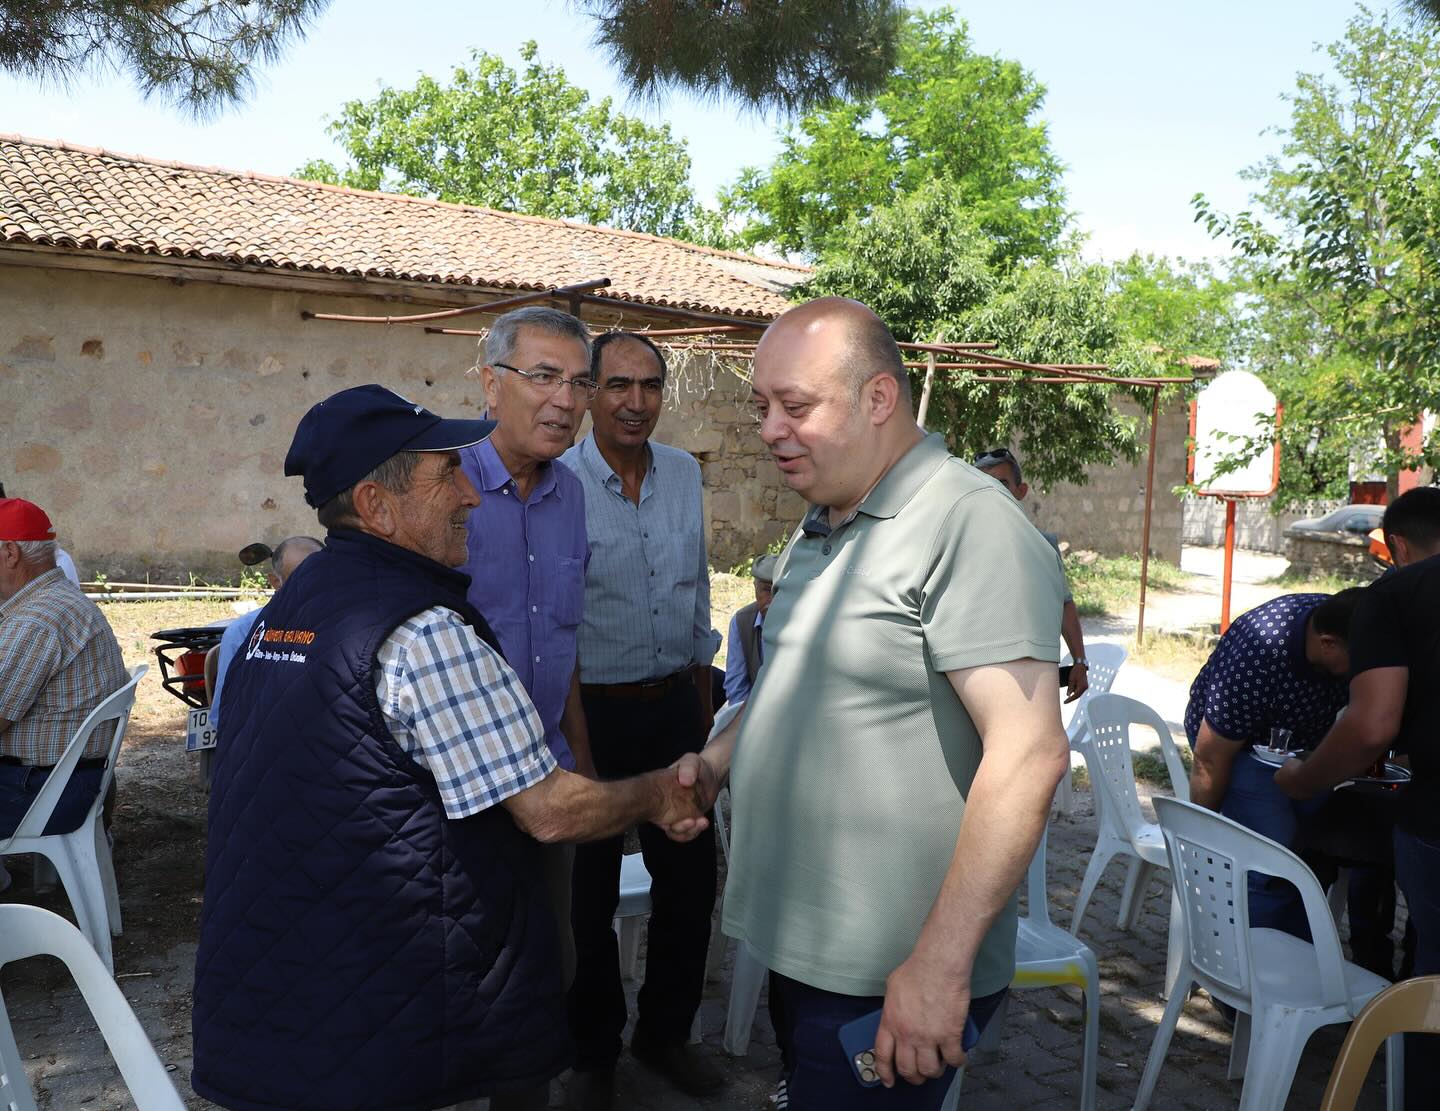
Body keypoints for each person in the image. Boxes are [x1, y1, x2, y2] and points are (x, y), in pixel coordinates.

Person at [191, 385, 710, 1111]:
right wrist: (661, 793)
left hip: (289, 996)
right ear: (377, 505)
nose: (472, 495)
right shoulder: (418, 632)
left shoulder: (289, 612)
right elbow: (551, 810)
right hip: (391, 1018)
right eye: (448, 474)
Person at [679, 298, 1070, 1110]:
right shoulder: (825, 519)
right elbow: (795, 676)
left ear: (879, 399)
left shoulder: (968, 522)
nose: (770, 431)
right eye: (762, 407)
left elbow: (1029, 754)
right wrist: (718, 761)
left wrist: (938, 964)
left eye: (796, 406)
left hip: (888, 971)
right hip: (806, 948)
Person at [560, 331, 723, 1108]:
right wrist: (581, 760)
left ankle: (665, 1035)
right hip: (589, 715)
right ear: (591, 391)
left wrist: (702, 725)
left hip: (673, 709)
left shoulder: (686, 474)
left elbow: (696, 594)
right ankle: (592, 1051)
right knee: (585, 896)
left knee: (691, 881)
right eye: (618, 384)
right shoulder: (559, 482)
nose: (635, 401)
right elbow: (554, 626)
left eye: (650, 385)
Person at [1277, 486, 1440, 1110]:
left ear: (1394, 545)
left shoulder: (1395, 596)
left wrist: (1301, 778)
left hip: (1436, 825)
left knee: (1431, 985)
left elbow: (1371, 726)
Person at [459, 305, 597, 991]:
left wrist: (585, 765)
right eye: (544, 376)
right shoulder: (441, 489)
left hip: (549, 781)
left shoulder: (570, 495)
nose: (566, 401)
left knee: (547, 977)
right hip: (457, 801)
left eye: (579, 383)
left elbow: (560, 646)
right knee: (462, 980)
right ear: (491, 384)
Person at [1184, 590, 1360, 938]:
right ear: (1328, 644)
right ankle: (1249, 965)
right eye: (1362, 659)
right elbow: (1211, 757)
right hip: (1240, 749)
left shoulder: (1347, 625)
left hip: (1301, 747)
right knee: (1271, 849)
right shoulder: (1259, 652)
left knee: (1316, 845)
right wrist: (1202, 838)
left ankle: (1297, 950)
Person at [0, 499, 127, 893]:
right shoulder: (56, 601)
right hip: (65, 783)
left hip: (40, 792)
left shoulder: (37, 619)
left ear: (9, 552)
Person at [972, 447, 1089, 703]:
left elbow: (1064, 603)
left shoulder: (1042, 546)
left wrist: (1079, 660)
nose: (992, 492)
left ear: (1020, 491)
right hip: (976, 684)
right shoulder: (959, 548)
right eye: (983, 484)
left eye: (1002, 484)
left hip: (1033, 688)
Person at [207, 536, 323, 732]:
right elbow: (223, 714)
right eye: (299, 578)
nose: (311, 585)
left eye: (318, 576)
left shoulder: (339, 625)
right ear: (275, 582)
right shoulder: (245, 632)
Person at [722, 552, 776, 706]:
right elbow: (737, 690)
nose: (772, 599)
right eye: (766, 590)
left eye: (778, 591)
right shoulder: (741, 622)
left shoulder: (803, 622)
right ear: (755, 589)